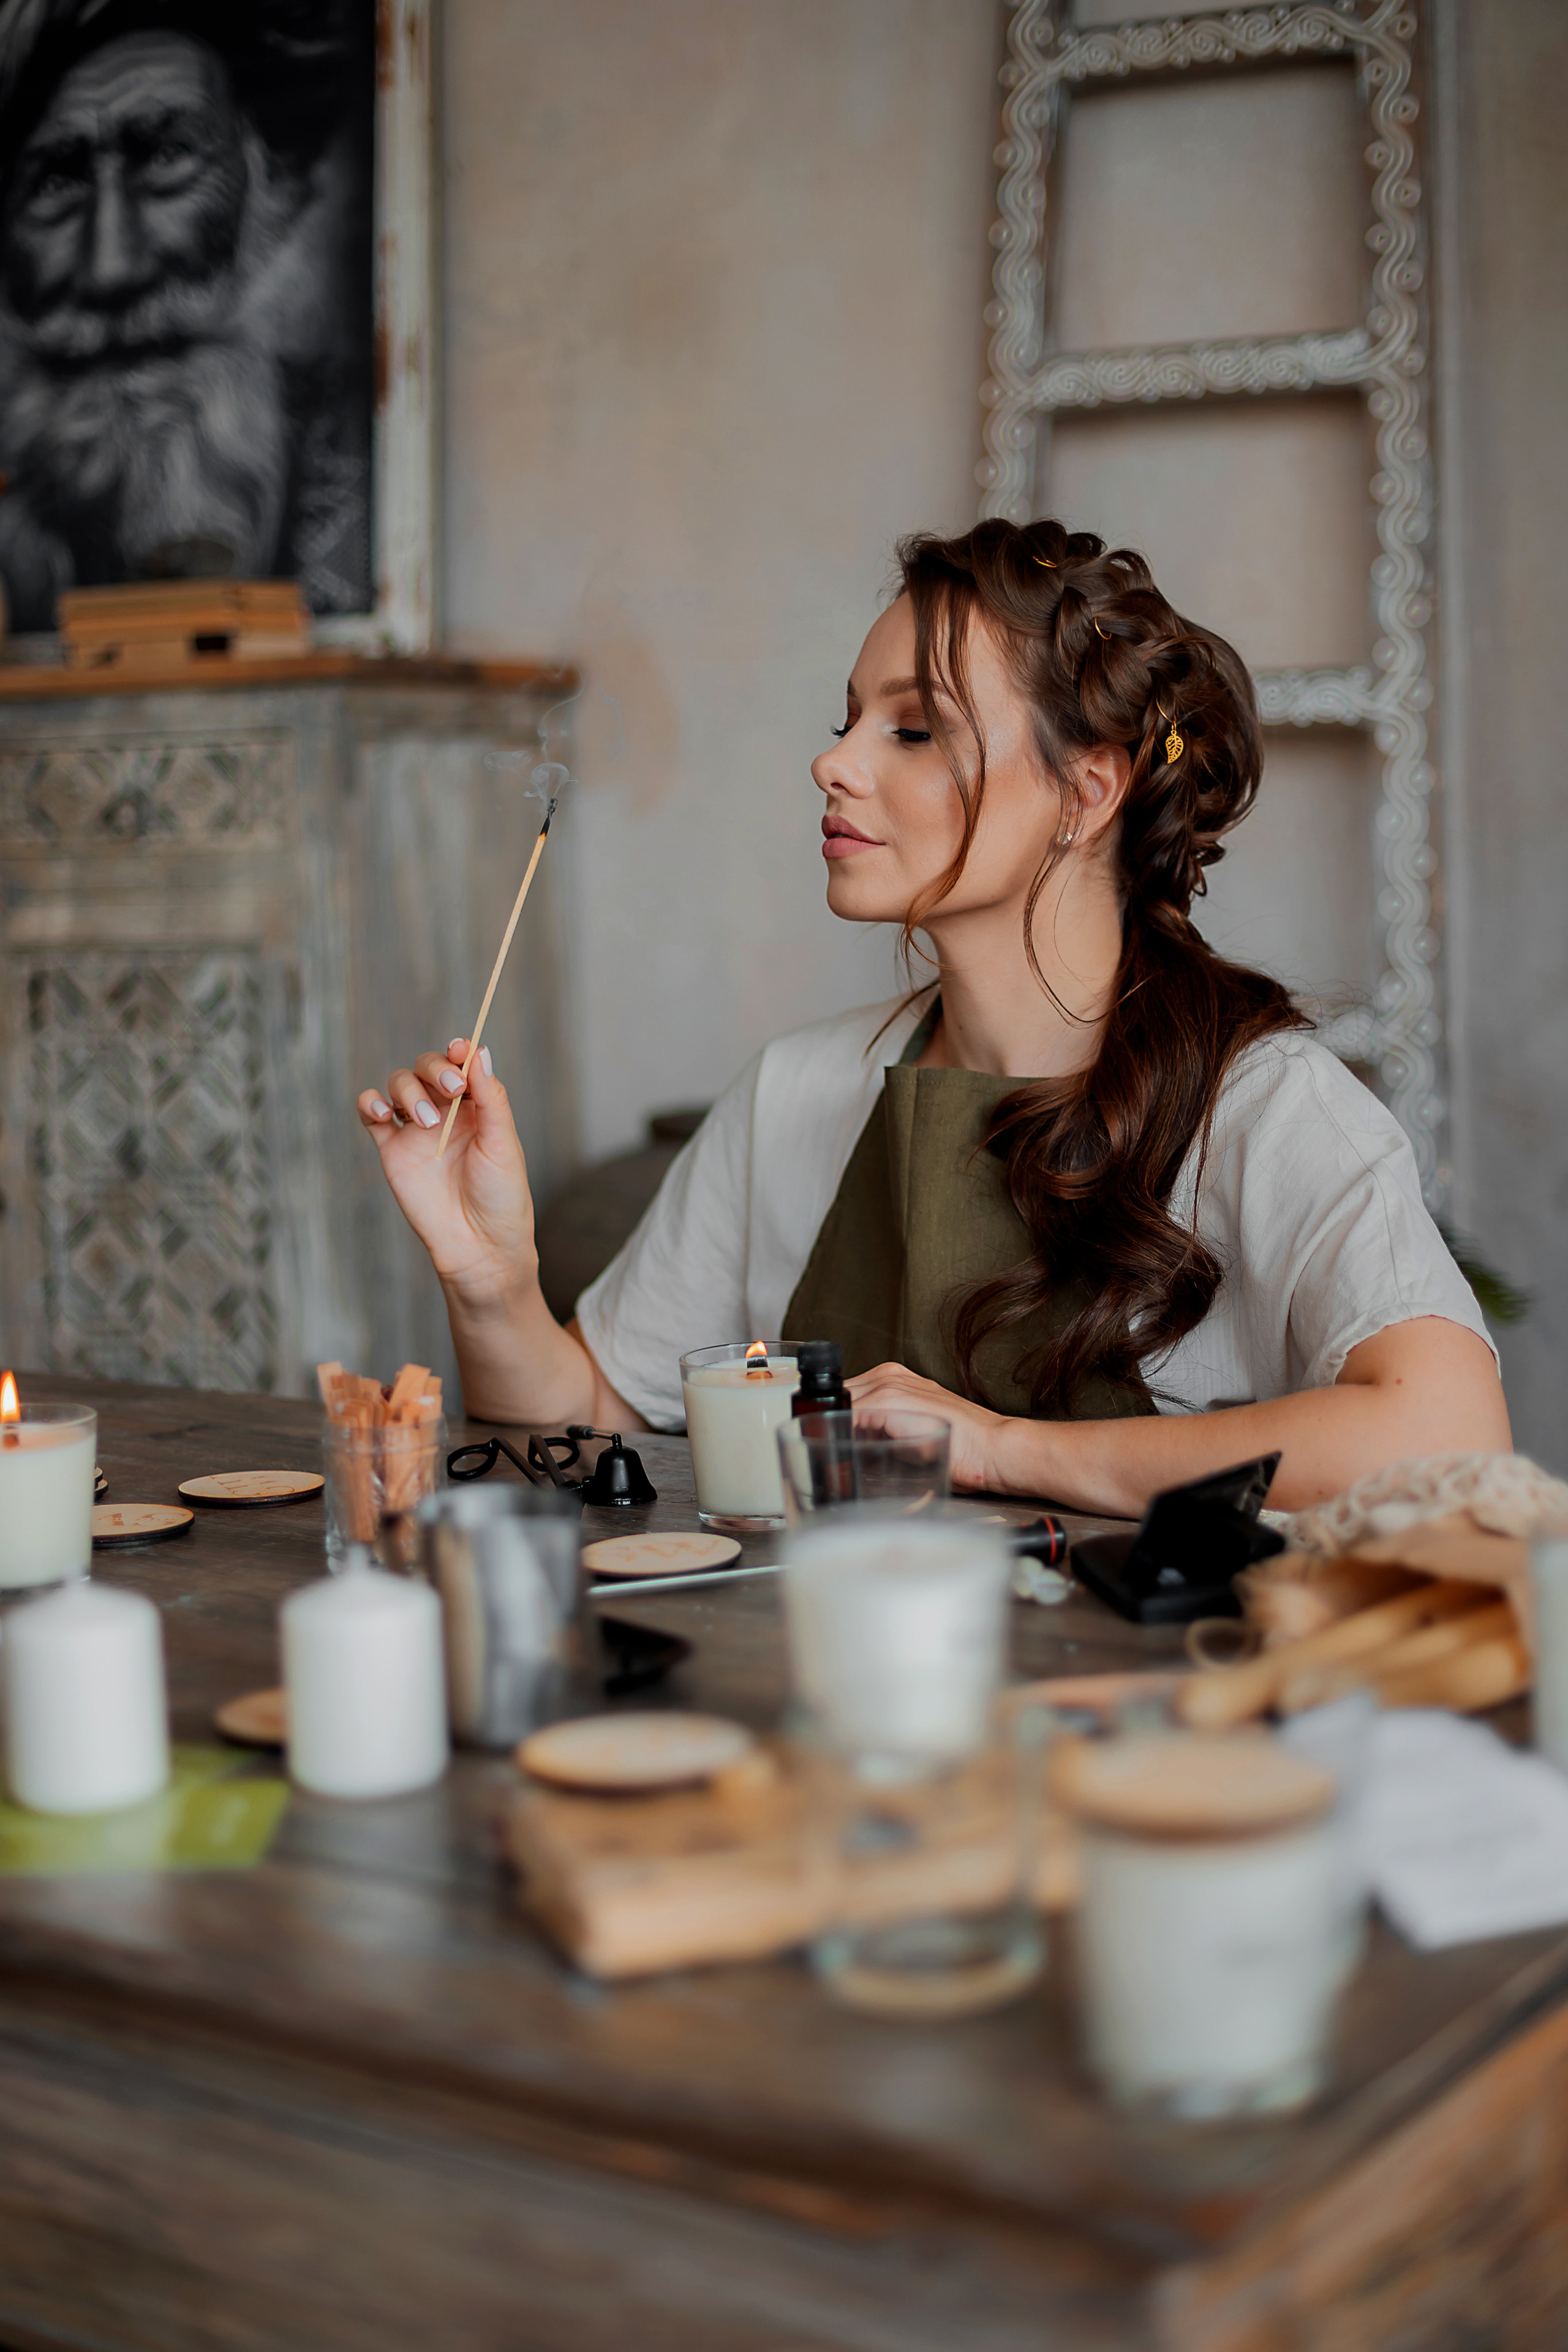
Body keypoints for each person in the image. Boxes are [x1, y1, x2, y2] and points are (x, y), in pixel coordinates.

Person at [358, 521, 1510, 1515]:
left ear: (1087, 791)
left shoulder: (1265, 1105)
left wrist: (1002, 1450)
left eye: (913, 731)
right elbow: (591, 1435)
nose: (831, 762)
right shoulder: (798, 1092)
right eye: (848, 719)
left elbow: (1446, 1436)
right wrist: (491, 1277)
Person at [0, 0, 371, 628]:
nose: (113, 266)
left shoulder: (366, 485)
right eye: (56, 183)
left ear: (269, 185)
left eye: (168, 158)